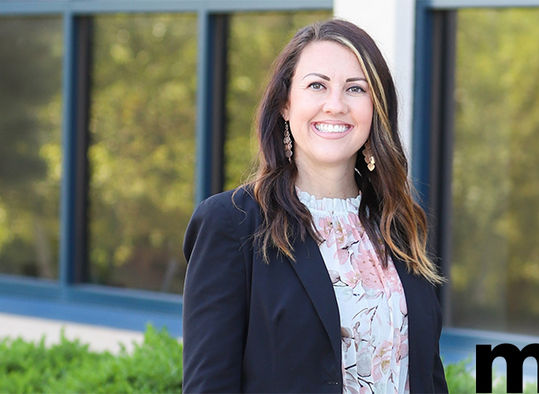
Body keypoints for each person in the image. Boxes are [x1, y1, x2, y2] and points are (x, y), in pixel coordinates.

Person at [181, 19, 449, 393]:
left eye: (355, 88)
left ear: (375, 109)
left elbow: (428, 378)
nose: (335, 105)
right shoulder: (231, 223)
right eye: (317, 85)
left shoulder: (398, 226)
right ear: (286, 105)